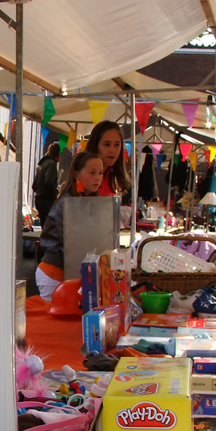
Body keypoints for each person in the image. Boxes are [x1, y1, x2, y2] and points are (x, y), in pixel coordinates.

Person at [34, 150, 105, 300]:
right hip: (54, 274)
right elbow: (73, 242)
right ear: (76, 174)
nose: (98, 177)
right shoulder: (68, 203)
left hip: (68, 273)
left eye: (100, 173)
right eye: (92, 172)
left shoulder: (82, 200)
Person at [85, 120, 129, 197]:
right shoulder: (83, 176)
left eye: (117, 145)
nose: (112, 150)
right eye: (107, 144)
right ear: (96, 145)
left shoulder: (114, 177)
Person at [32, 141, 61, 226]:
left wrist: (39, 191)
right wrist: (55, 195)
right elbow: (49, 182)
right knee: (49, 226)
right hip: (47, 200)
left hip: (39, 199)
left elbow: (34, 186)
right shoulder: (52, 164)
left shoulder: (42, 163)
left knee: (44, 225)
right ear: (57, 155)